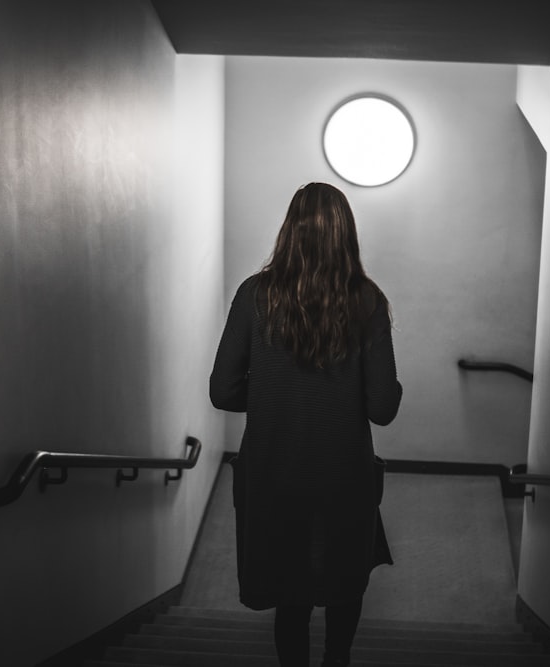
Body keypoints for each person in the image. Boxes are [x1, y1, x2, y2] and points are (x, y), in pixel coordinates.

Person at [210, 182, 403, 667]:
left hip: (274, 473)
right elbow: (382, 407)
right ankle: (336, 660)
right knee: (344, 581)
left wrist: (274, 394)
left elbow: (222, 391)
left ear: (289, 231)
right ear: (347, 235)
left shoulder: (255, 295)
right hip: (343, 476)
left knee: (289, 592)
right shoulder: (367, 301)